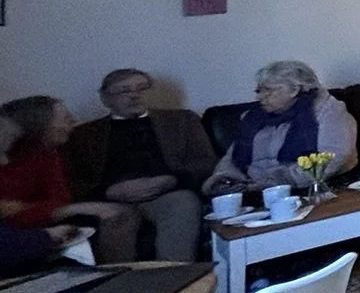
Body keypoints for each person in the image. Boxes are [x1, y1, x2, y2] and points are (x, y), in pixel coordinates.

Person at [62, 68, 214, 261]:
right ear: (105, 98)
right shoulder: (83, 134)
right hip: (111, 201)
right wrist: (108, 192)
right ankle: (123, 277)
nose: (134, 95)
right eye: (124, 90)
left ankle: (174, 273)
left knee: (183, 201)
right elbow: (70, 181)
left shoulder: (182, 120)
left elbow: (206, 161)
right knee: (115, 218)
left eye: (142, 88)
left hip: (167, 194)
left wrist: (172, 180)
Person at [203, 61, 358, 198]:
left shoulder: (327, 111)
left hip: (310, 190)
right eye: (259, 91)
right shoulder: (251, 118)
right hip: (254, 194)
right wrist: (223, 180)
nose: (260, 97)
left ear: (294, 90)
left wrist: (277, 181)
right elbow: (231, 159)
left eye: (268, 90)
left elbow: (335, 157)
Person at [0, 97, 80, 230]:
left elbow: (60, 202)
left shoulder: (45, 152)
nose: (74, 121)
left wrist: (19, 209)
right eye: (66, 118)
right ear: (39, 125)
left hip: (41, 230)